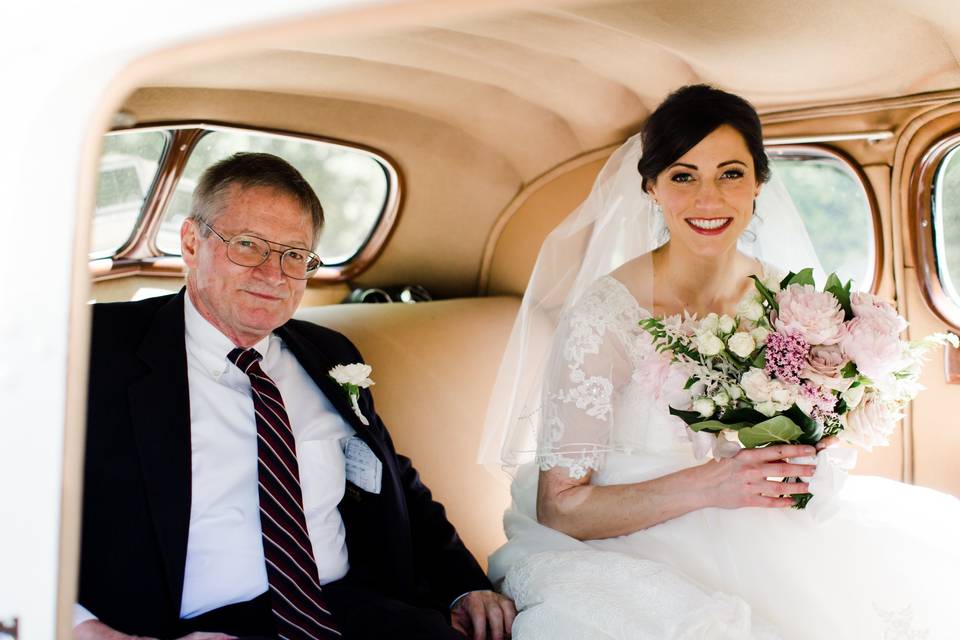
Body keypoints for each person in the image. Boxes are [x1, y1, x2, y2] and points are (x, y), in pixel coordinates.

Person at [480, 85, 960, 639]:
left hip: (771, 528)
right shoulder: (607, 313)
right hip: (637, 543)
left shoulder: (794, 302)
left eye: (730, 174)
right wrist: (711, 486)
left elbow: (813, 439)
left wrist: (811, 449)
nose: (708, 199)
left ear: (758, 183)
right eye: (683, 176)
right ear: (652, 188)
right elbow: (562, 510)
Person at [75, 152, 515, 640]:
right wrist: (86, 631)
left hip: (354, 609)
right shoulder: (94, 348)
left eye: (294, 256)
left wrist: (462, 587)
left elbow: (395, 482)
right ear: (191, 242)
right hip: (191, 627)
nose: (274, 274)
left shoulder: (328, 352)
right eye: (248, 246)